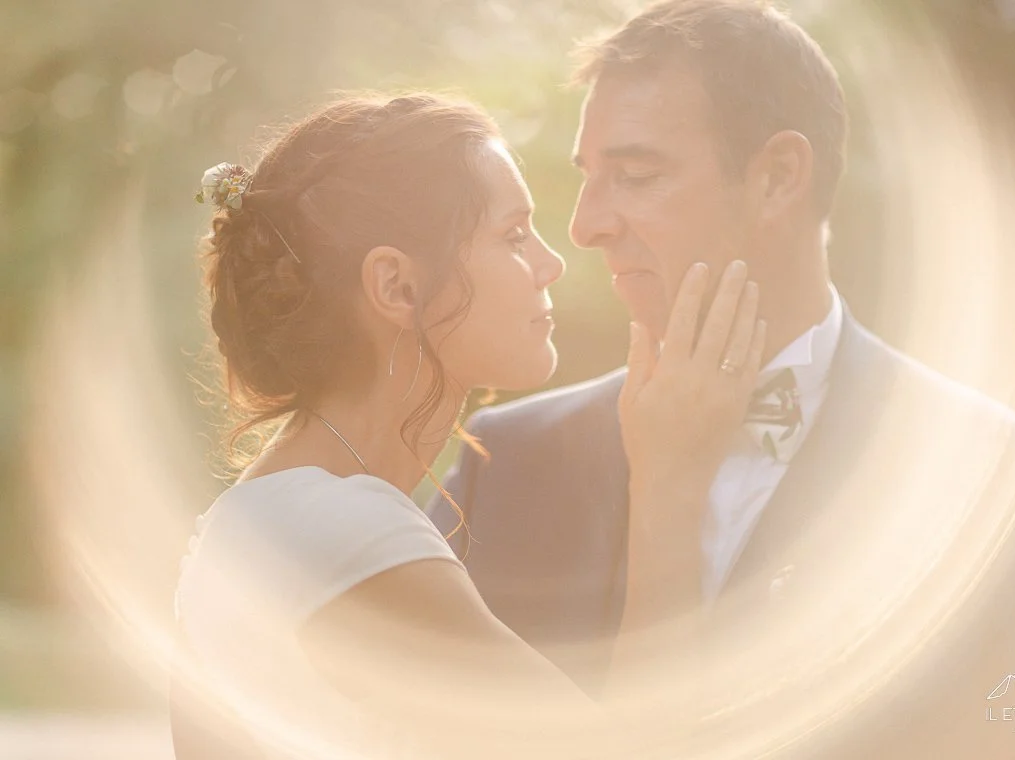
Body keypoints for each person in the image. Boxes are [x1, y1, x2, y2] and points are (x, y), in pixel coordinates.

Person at [428, 1, 1015, 757]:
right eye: (590, 179)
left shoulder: (989, 478)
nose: (588, 224)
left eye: (635, 175)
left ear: (778, 177)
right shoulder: (509, 462)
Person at [171, 92, 767, 760]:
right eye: (513, 237)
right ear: (396, 287)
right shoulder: (336, 532)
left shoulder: (285, 516)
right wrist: (670, 487)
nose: (552, 265)